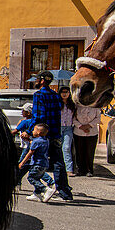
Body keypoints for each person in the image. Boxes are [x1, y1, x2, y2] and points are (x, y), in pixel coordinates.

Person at [30, 70, 73, 201]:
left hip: (43, 135)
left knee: (33, 161)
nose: (36, 82)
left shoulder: (38, 95)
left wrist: (31, 130)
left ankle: (39, 189)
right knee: (58, 163)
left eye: (37, 79)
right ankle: (64, 192)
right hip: (55, 133)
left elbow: (38, 116)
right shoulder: (55, 96)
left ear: (42, 81)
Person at [19, 123, 58, 202]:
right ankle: (37, 194)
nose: (32, 131)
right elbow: (35, 144)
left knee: (31, 178)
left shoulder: (36, 141)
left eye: (34, 130)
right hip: (44, 164)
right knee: (37, 177)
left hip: (36, 164)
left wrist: (22, 162)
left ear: (38, 132)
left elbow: (30, 153)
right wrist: (30, 140)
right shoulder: (45, 140)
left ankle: (45, 189)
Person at [73, 101, 101, 176]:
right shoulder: (77, 106)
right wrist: (81, 126)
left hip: (92, 132)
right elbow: (73, 118)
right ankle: (80, 170)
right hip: (78, 132)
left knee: (90, 152)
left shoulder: (95, 106)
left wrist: (89, 126)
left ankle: (89, 170)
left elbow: (98, 118)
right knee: (79, 151)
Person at [58, 86, 76, 175]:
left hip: (68, 128)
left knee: (66, 148)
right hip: (59, 127)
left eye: (67, 92)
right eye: (63, 92)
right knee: (58, 148)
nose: (65, 94)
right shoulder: (57, 104)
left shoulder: (72, 104)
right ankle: (59, 168)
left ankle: (69, 169)